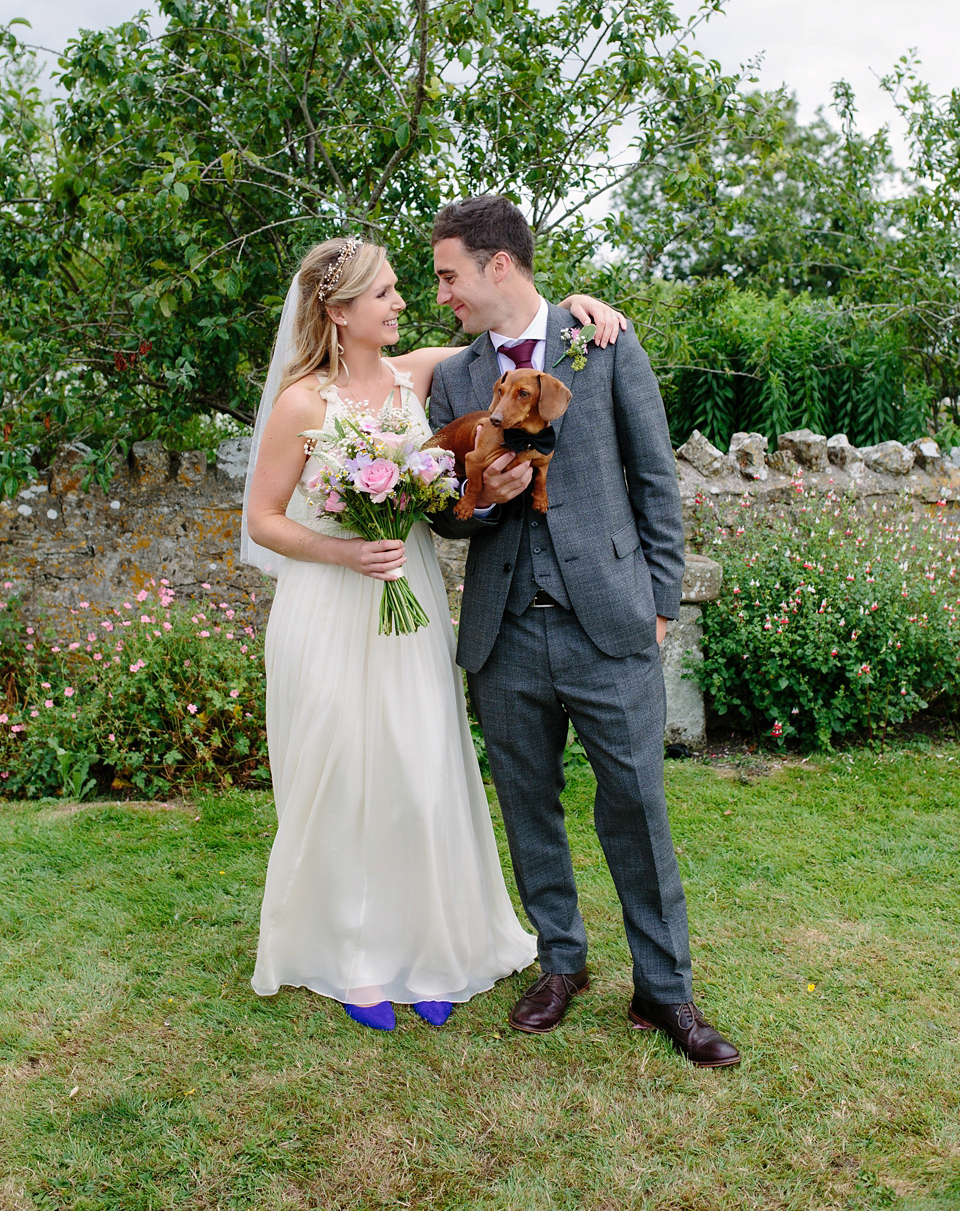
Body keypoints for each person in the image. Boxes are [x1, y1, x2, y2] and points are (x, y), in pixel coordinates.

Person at [242, 234, 622, 1031]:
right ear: (338, 313)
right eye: (384, 294)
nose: (402, 303)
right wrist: (343, 550)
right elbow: (263, 521)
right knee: (345, 777)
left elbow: (514, 332)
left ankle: (429, 948)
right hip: (331, 601)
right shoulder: (303, 402)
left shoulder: (421, 375)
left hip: (406, 600)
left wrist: (582, 314)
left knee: (420, 769)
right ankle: (354, 961)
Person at [428, 196, 741, 1067]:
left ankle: (665, 991)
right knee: (529, 806)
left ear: (499, 265)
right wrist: (476, 506)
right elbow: (443, 516)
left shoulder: (601, 342)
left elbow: (655, 479)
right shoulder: (454, 379)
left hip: (611, 624)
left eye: (451, 275)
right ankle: (560, 962)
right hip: (503, 636)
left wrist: (661, 602)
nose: (444, 293)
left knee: (636, 807)